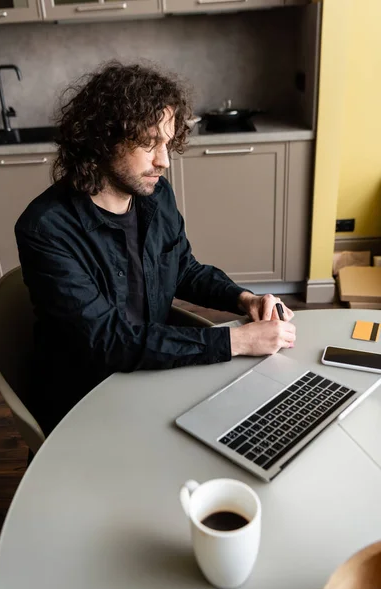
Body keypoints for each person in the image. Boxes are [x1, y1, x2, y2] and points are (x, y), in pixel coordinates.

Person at [15, 60, 296, 435]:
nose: (163, 161)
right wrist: (235, 340)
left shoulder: (155, 195)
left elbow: (183, 268)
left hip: (151, 371)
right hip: (84, 398)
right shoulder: (46, 228)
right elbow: (108, 342)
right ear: (102, 139)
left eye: (167, 142)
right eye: (149, 143)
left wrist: (243, 299)